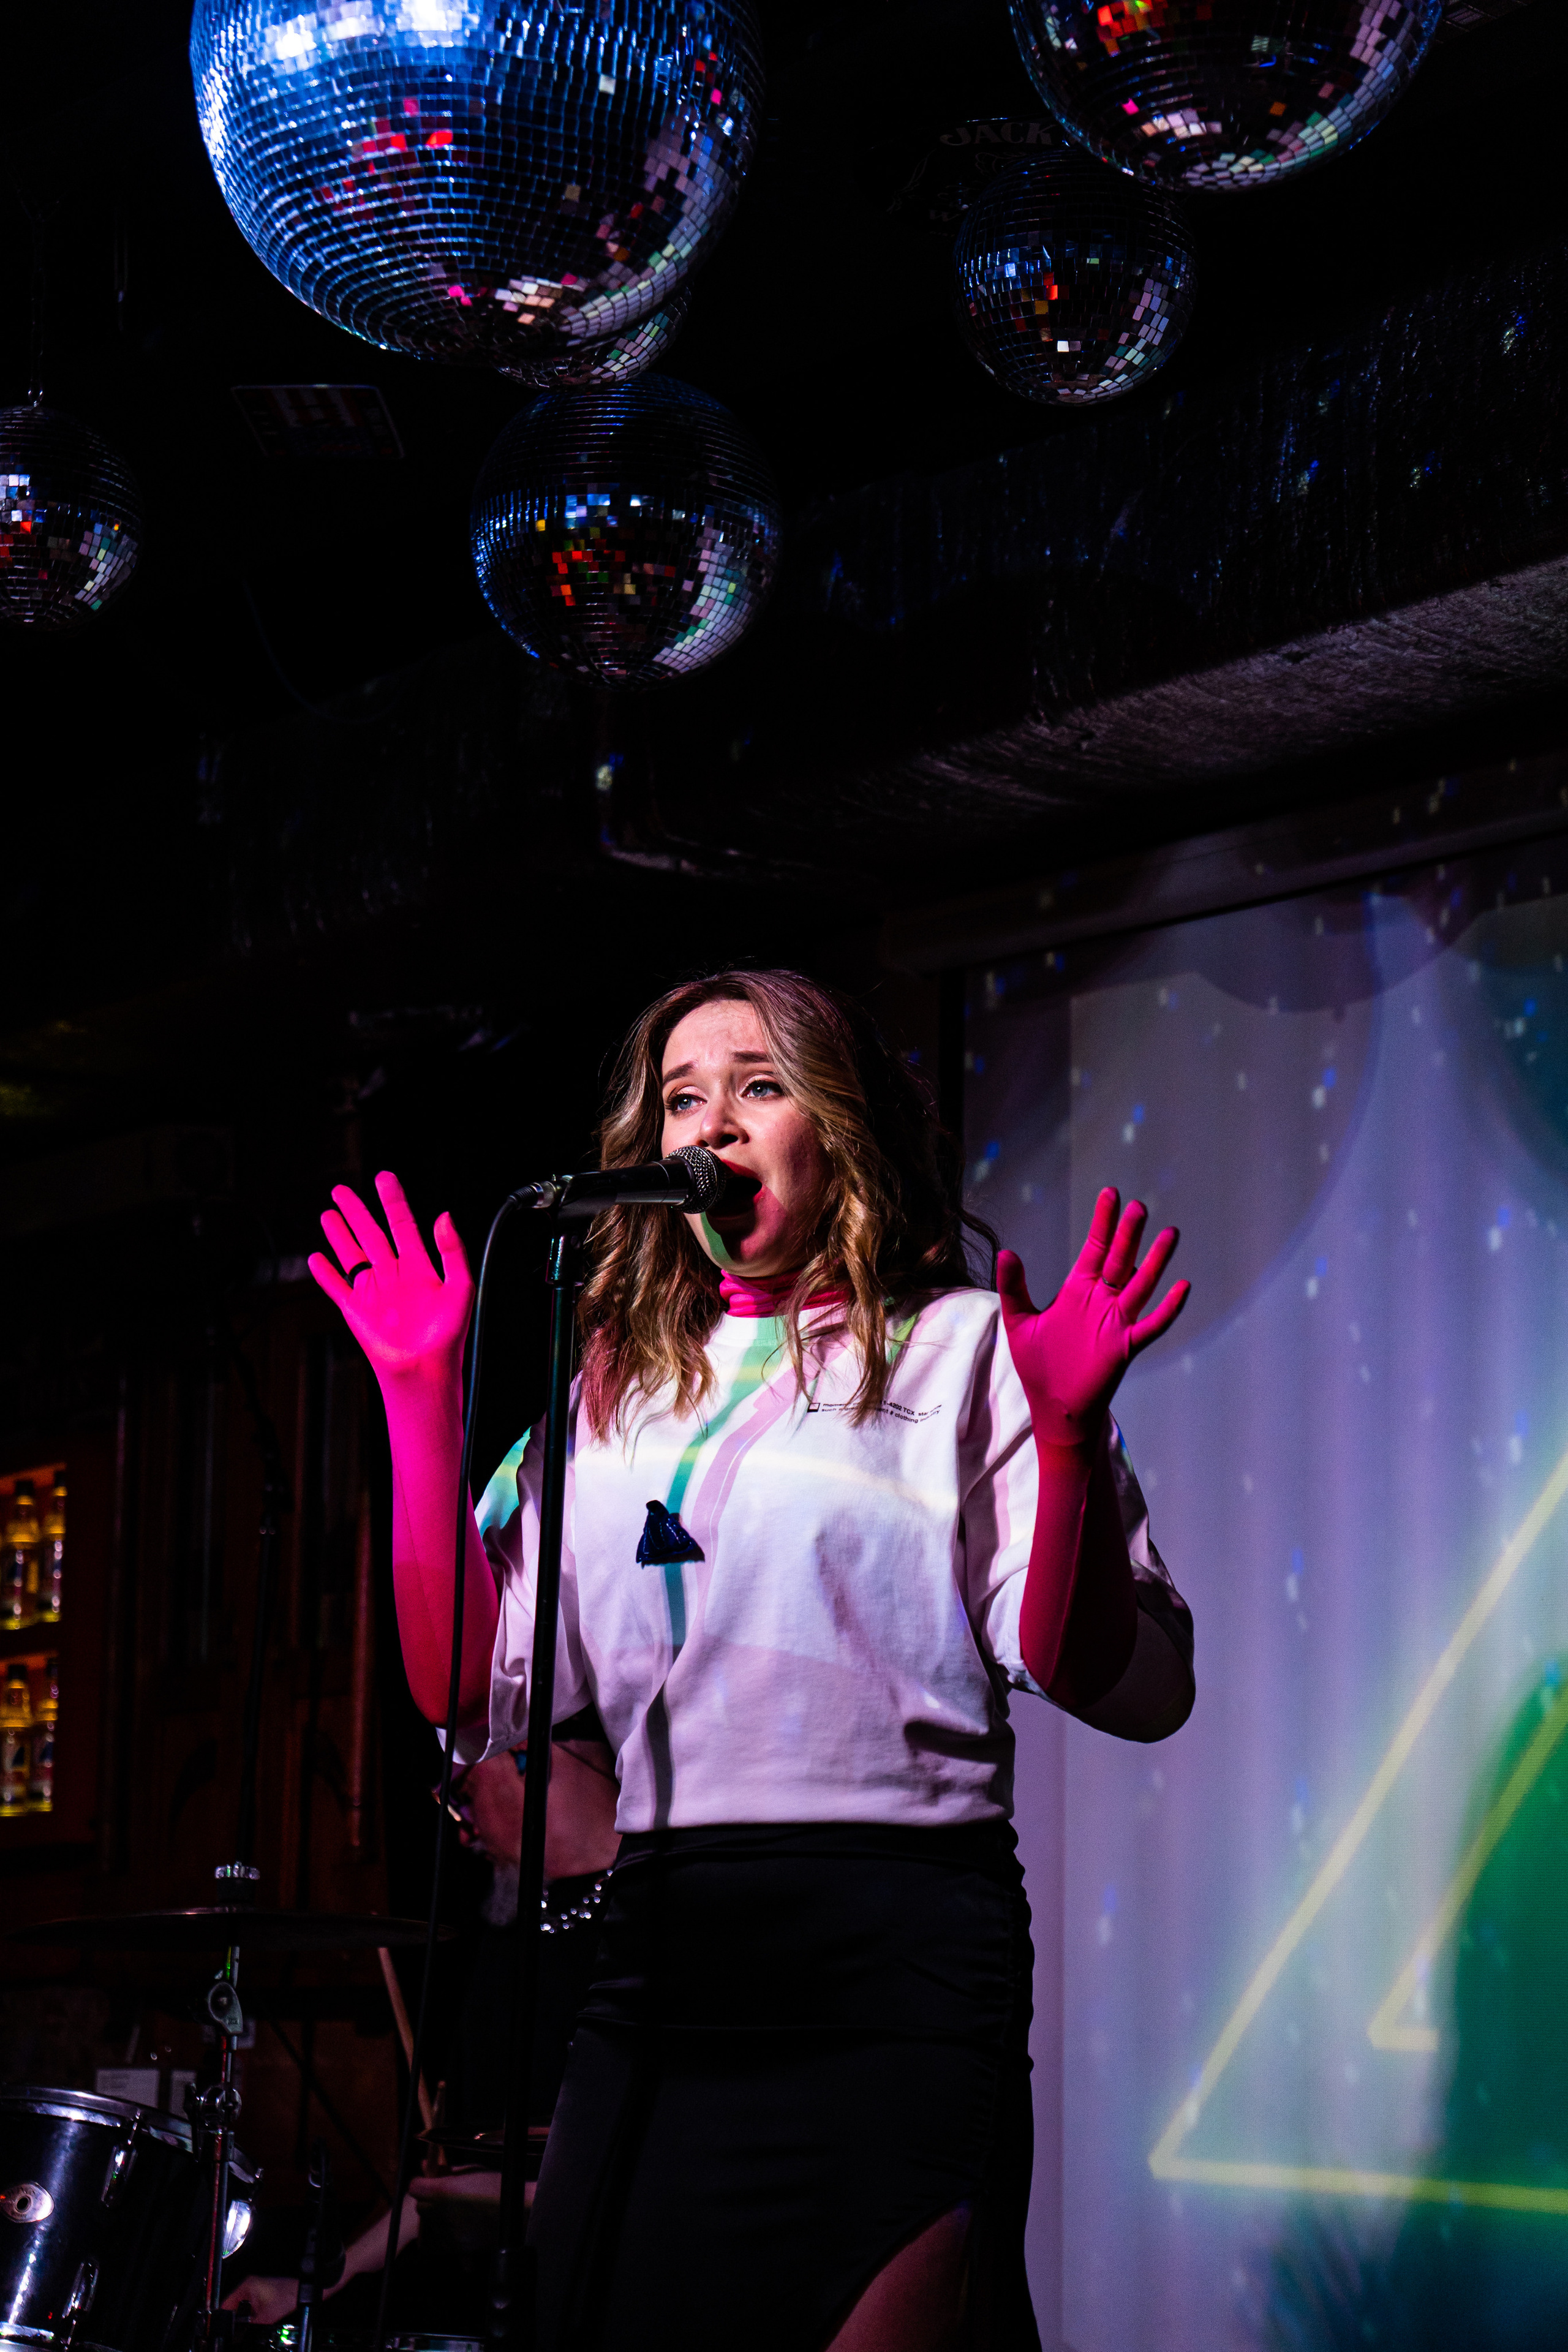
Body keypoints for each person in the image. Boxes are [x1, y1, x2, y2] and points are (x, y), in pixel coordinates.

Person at [308, 970, 1194, 2352]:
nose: (710, 1125)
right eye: (681, 1096)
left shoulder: (960, 1348)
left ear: (835, 1127)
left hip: (892, 1960)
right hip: (666, 1965)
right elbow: (461, 1690)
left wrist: (1068, 1438)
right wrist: (419, 1399)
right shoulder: (610, 1387)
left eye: (757, 1085)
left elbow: (1102, 1674)